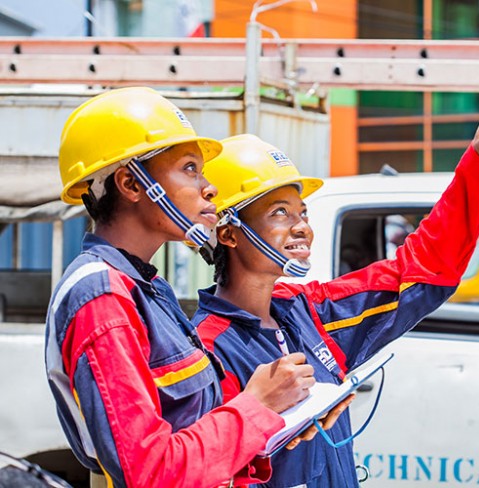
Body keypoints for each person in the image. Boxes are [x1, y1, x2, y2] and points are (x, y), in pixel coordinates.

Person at [193, 78, 479, 487]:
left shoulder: (310, 312)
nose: (302, 229)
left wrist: (477, 169)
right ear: (228, 233)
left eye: (303, 213)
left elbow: (418, 269)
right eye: (281, 213)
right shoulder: (206, 350)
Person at [45, 87, 318, 488]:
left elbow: (191, 427)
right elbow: (150, 471)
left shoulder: (148, 287)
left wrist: (282, 421)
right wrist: (257, 405)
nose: (209, 188)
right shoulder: (103, 298)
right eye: (191, 169)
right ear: (131, 184)